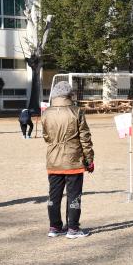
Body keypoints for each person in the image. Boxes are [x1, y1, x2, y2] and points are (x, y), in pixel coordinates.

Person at [42, 81, 94, 239]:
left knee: (54, 195)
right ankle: (73, 228)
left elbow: (46, 136)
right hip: (73, 160)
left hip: (53, 160)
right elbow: (85, 138)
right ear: (69, 95)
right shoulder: (76, 111)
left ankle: (54, 227)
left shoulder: (46, 113)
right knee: (74, 195)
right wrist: (89, 159)